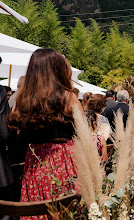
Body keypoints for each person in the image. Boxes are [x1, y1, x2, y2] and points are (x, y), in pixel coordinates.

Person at [8, 48, 83, 219]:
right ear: (57, 68)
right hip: (65, 161)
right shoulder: (68, 97)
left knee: (38, 210)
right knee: (66, 211)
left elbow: (18, 137)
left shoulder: (23, 100)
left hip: (35, 164)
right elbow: (83, 134)